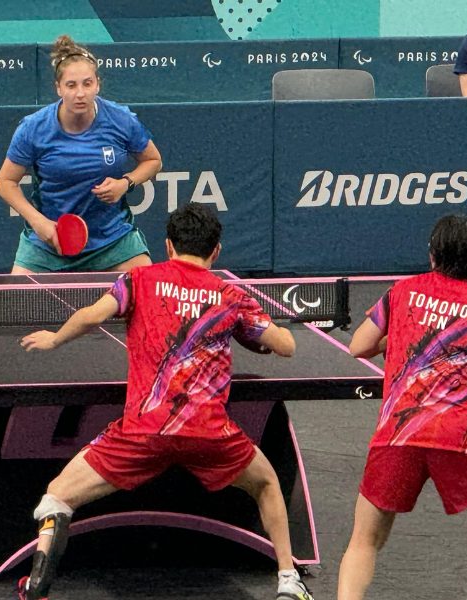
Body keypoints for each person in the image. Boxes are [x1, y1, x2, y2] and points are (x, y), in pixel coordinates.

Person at [17, 204, 312, 600]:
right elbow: (286, 346)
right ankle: (288, 582)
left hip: (143, 432)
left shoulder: (139, 279)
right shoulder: (231, 296)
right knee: (266, 482)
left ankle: (37, 584)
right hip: (209, 433)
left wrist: (53, 338)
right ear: (217, 251)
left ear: (169, 245)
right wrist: (244, 333)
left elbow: (91, 315)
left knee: (57, 495)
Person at [338, 214, 467, 599]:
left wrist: (402, 333)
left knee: (364, 541)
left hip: (398, 434)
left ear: (433, 254)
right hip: (457, 439)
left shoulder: (401, 292)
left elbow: (359, 346)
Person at [0, 34, 162, 274]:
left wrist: (125, 183)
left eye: (87, 83)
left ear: (97, 84)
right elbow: (5, 182)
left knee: (146, 293)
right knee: (18, 305)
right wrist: (37, 221)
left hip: (112, 239)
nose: (80, 93)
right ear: (59, 88)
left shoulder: (121, 120)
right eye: (71, 85)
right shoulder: (33, 128)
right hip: (50, 242)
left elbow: (153, 161)